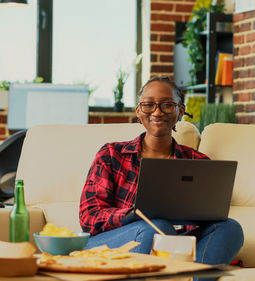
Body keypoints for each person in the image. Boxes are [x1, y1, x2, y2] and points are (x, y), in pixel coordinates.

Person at [79, 77, 243, 265]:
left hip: (177, 245)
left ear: (180, 111)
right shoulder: (111, 155)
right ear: (139, 112)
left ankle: (189, 278)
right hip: (119, 241)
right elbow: (89, 218)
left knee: (230, 228)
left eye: (167, 105)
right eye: (149, 105)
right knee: (156, 227)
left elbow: (208, 221)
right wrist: (130, 215)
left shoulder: (198, 163)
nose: (157, 112)